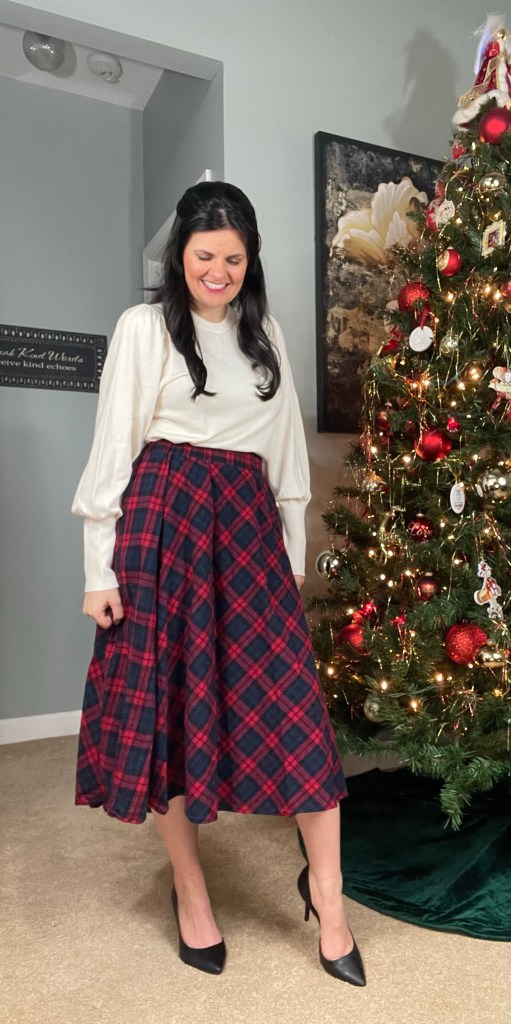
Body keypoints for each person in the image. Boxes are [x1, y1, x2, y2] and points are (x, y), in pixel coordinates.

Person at [71, 181, 365, 987]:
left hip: (247, 524)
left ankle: (329, 899)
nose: (219, 272)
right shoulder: (142, 329)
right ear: (181, 255)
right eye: (205, 255)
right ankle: (192, 890)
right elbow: (113, 446)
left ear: (250, 260)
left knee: (296, 710)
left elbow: (287, 455)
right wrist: (98, 567)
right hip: (160, 521)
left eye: (234, 258)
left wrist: (291, 556)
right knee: (168, 710)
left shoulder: (264, 333)